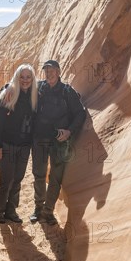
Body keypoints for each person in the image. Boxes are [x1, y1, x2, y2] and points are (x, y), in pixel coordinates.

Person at [30, 60, 86, 225]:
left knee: (55, 177)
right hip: (39, 139)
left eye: (52, 70)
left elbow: (80, 114)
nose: (49, 73)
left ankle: (48, 211)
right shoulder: (39, 88)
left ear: (59, 71)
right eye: (46, 70)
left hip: (59, 141)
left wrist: (69, 131)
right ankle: (38, 208)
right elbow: (19, 88)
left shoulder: (67, 91)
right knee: (39, 174)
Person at [0, 64, 37, 224]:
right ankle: (0, 211)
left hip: (24, 146)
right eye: (22, 77)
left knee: (18, 178)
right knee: (7, 179)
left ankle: (11, 211)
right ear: (17, 77)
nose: (25, 80)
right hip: (7, 145)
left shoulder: (33, 95)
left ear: (32, 79)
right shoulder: (9, 94)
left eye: (28, 77)